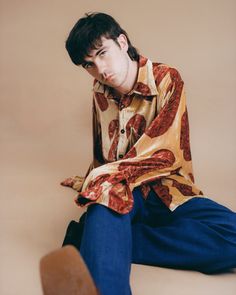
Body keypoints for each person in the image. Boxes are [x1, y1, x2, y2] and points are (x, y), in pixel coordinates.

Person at [40, 12, 236, 295]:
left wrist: (104, 174)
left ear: (122, 42)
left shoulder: (167, 78)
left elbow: (166, 150)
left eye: (103, 54)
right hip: (120, 190)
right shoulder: (99, 91)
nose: (100, 69)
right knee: (105, 193)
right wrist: (92, 178)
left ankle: (98, 241)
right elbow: (104, 153)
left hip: (169, 189)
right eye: (89, 64)